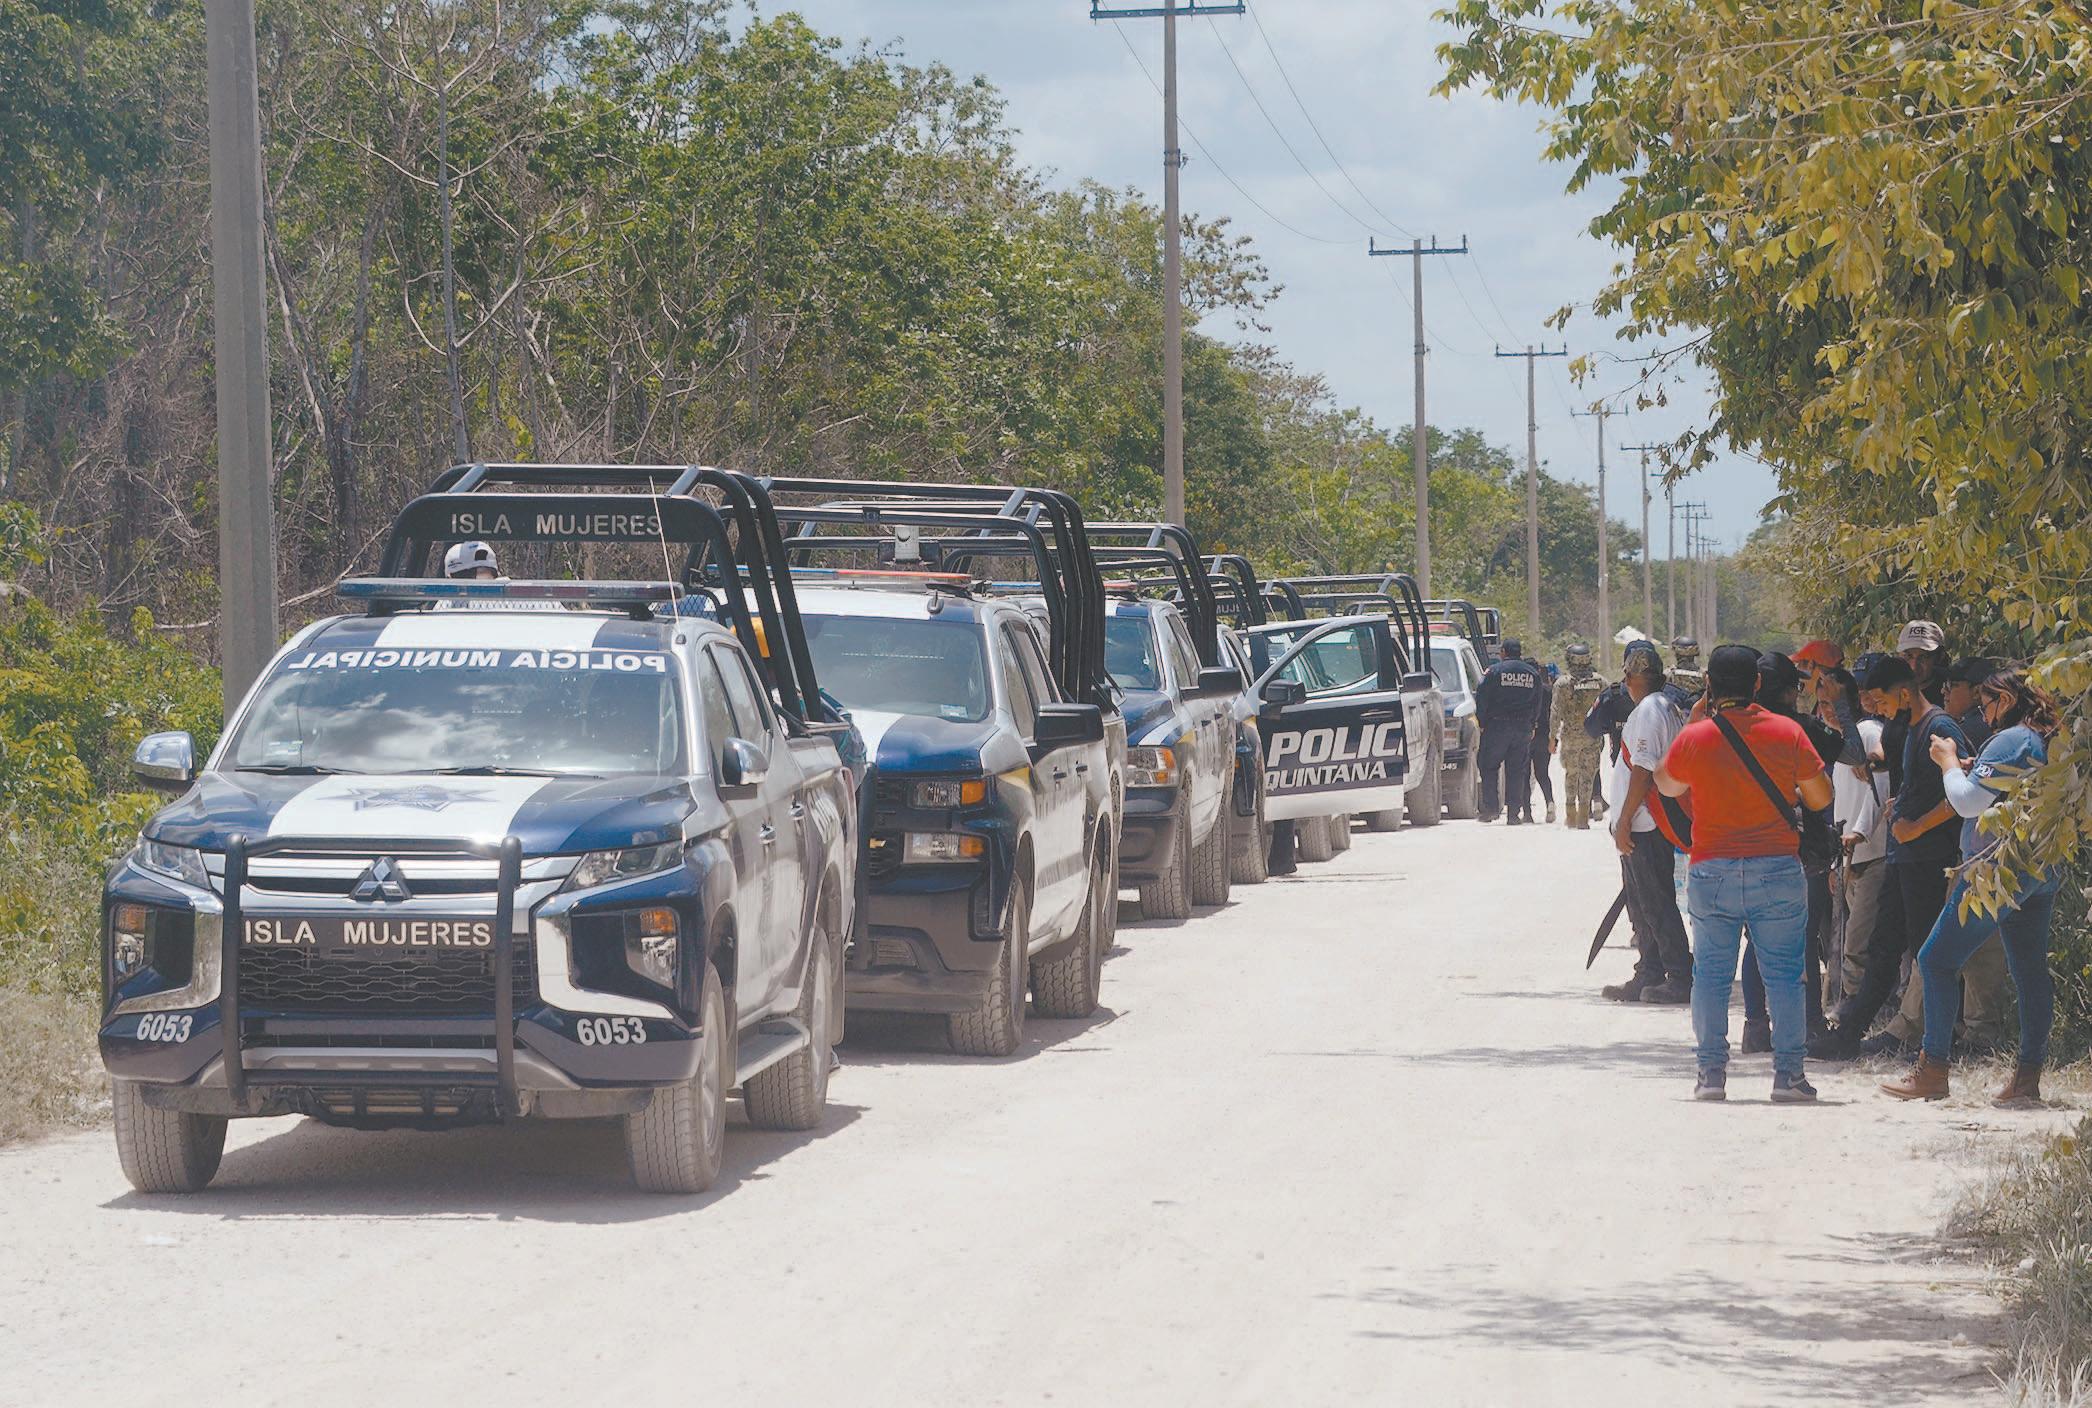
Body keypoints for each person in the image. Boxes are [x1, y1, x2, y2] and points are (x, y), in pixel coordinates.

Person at [1655, 644, 1834, 1102]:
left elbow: (1667, 783)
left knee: (1711, 977)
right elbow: (1820, 797)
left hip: (1711, 869)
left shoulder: (1697, 737)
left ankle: (1711, 1075)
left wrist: (1695, 723)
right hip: (1776, 869)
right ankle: (1788, 1077)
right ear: (1756, 684)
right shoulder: (1788, 731)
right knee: (1786, 976)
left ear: (1709, 685)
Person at [1882, 671, 2065, 1104]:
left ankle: (1933, 1069)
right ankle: (2027, 1078)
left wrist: (1948, 761)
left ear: (2006, 700)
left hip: (1994, 872)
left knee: (1936, 960)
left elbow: (1967, 802)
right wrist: (1969, 768)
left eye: (1987, 705)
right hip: (2038, 868)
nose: (1984, 715)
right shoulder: (2045, 739)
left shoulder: (2010, 739)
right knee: (2029, 971)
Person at [1808, 655, 1980, 1059]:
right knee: (1884, 949)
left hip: (1930, 857)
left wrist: (1917, 825)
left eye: (1882, 702)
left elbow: (1966, 791)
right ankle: (1850, 1035)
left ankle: (1937, 1043)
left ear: (1903, 694)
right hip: (1903, 855)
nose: (1879, 711)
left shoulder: (1939, 728)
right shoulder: (1907, 726)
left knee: (1929, 953)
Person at [1605, 645, 1692, 1004]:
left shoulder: (1649, 711)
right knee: (1643, 904)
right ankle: (1649, 972)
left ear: (1631, 678)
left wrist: (1625, 820)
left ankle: (1680, 975)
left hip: (1645, 822)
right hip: (1645, 822)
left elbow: (1643, 769)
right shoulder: (1663, 706)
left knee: (1655, 903)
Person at [1474, 636, 1545, 824]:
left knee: (1489, 767)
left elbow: (1482, 696)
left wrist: (1482, 721)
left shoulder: (1494, 671)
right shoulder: (1532, 674)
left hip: (1497, 727)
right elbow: (1538, 701)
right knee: (1516, 771)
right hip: (1522, 728)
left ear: (1503, 652)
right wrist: (1532, 723)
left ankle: (1491, 809)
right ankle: (1513, 814)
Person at [1553, 643, 1607, 829]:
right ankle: (1583, 817)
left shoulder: (1562, 683)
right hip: (1593, 736)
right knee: (1588, 776)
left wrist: (1552, 737)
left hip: (1570, 737)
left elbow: (1555, 712)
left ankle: (1571, 816)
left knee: (1571, 774)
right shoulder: (1600, 682)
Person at [1523, 649, 1556, 824]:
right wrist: (1554, 738)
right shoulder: (1548, 690)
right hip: (1544, 735)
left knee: (1524, 774)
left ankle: (1527, 813)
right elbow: (1554, 715)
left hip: (1526, 735)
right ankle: (1550, 802)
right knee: (1542, 773)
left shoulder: (1522, 691)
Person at [1944, 657, 1996, 749]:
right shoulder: (1991, 721)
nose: (1943, 691)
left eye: (1952, 685)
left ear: (1977, 692)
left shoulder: (1972, 730)